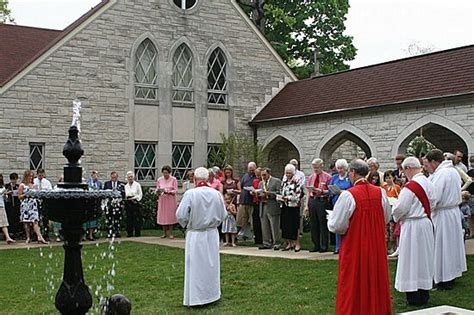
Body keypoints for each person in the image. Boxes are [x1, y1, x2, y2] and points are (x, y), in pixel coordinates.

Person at [328, 159, 392, 315]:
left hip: (355, 245)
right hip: (376, 244)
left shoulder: (348, 196)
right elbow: (386, 217)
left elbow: (338, 226)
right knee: (376, 278)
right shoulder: (381, 193)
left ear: (353, 173)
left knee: (353, 280)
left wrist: (330, 219)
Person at [176, 167, 227, 307]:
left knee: (196, 265)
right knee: (210, 264)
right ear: (208, 178)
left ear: (194, 179)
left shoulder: (190, 194)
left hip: (196, 233)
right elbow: (223, 214)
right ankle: (211, 294)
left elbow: (180, 215)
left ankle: (197, 297)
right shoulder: (216, 194)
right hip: (211, 233)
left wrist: (186, 224)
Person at [392, 157, 436, 306]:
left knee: (411, 260)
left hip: (412, 226)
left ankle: (413, 295)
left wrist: (396, 214)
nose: (404, 174)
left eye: (404, 171)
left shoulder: (411, 187)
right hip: (425, 224)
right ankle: (424, 293)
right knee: (424, 259)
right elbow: (434, 202)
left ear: (409, 168)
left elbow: (400, 208)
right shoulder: (428, 182)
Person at [424, 149, 467, 290]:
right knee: (451, 245)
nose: (427, 168)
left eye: (427, 164)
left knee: (442, 246)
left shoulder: (442, 174)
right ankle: (450, 275)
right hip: (452, 212)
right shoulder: (453, 171)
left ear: (434, 162)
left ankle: (443, 277)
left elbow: (434, 196)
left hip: (443, 214)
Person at [304, 158, 332, 253]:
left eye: (317, 167)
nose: (315, 169)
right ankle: (315, 244)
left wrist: (322, 191)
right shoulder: (311, 177)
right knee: (313, 224)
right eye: (314, 167)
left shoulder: (327, 177)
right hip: (313, 200)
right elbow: (308, 191)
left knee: (322, 223)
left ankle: (324, 245)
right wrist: (306, 205)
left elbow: (331, 191)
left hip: (322, 201)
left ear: (321, 166)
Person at [329, 159, 352, 254]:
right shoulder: (334, 178)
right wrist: (333, 191)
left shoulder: (349, 178)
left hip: (346, 203)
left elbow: (353, 189)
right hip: (336, 203)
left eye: (341, 168)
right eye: (338, 168)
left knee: (346, 224)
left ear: (345, 168)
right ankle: (338, 247)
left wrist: (342, 191)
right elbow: (330, 188)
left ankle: (347, 246)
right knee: (338, 223)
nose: (339, 170)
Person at [18, 170, 48, 244]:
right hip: (25, 204)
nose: (31, 178)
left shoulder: (34, 185)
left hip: (33, 204)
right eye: (29, 176)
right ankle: (28, 237)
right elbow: (19, 196)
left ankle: (40, 237)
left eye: (32, 176)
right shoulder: (22, 185)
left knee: (35, 221)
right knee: (26, 222)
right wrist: (26, 194)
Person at [280, 164, 303, 252]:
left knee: (294, 225)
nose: (288, 174)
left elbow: (298, 195)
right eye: (287, 173)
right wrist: (281, 197)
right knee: (285, 225)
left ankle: (297, 243)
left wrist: (289, 198)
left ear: (293, 173)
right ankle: (289, 243)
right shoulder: (284, 181)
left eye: (289, 173)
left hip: (294, 206)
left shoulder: (297, 181)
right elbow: (281, 191)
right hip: (285, 205)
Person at [258, 168, 282, 250]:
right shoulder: (261, 183)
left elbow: (280, 193)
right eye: (262, 175)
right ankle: (266, 242)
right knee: (264, 225)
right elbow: (260, 192)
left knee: (274, 225)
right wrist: (257, 194)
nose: (263, 177)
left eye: (264, 175)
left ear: (269, 174)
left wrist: (270, 193)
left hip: (273, 205)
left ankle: (277, 243)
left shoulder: (276, 181)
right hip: (263, 205)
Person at [156, 165, 178, 239]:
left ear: (169, 173)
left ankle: (171, 233)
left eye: (166, 173)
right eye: (164, 173)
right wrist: (158, 191)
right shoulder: (159, 180)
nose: (165, 174)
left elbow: (175, 190)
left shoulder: (173, 179)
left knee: (170, 215)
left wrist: (169, 191)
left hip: (170, 199)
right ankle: (164, 233)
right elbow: (157, 188)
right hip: (162, 200)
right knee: (163, 216)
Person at [236, 162, 257, 234]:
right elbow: (241, 187)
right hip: (243, 200)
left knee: (252, 221)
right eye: (249, 170)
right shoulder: (245, 176)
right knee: (240, 220)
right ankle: (236, 236)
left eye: (252, 170)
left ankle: (254, 236)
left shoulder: (257, 177)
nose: (251, 171)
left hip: (252, 202)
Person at [103, 171, 125, 238]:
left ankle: (117, 232)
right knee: (109, 219)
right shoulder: (107, 184)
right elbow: (104, 193)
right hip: (109, 204)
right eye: (112, 177)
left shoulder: (121, 184)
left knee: (117, 218)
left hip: (118, 204)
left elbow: (123, 194)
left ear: (117, 177)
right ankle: (110, 232)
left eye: (115, 177)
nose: (113, 179)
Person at [33, 168, 52, 240]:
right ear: (37, 174)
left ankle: (46, 234)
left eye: (42, 175)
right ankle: (36, 235)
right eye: (39, 174)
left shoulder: (47, 182)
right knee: (36, 219)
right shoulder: (34, 181)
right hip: (36, 201)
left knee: (45, 218)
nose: (40, 176)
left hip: (44, 201)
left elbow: (50, 191)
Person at [84, 170, 102, 241]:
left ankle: (91, 235)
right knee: (85, 220)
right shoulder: (87, 183)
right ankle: (84, 235)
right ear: (92, 176)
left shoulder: (99, 183)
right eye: (94, 175)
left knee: (93, 220)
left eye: (97, 175)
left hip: (95, 203)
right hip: (87, 203)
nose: (96, 177)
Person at [124, 171, 143, 237]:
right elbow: (125, 194)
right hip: (128, 202)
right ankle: (130, 233)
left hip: (135, 202)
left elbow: (140, 195)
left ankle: (137, 233)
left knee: (136, 219)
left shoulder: (137, 185)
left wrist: (135, 199)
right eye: (129, 177)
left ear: (133, 177)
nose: (130, 178)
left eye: (131, 177)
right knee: (129, 218)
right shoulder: (126, 186)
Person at [4, 172, 21, 239]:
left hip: (16, 204)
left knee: (16, 217)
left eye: (15, 179)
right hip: (9, 204)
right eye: (12, 179)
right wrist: (8, 193)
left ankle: (16, 232)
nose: (14, 181)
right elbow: (4, 193)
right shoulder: (7, 186)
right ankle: (10, 232)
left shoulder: (18, 186)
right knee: (10, 217)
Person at [0, 174, 15, 244]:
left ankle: (8, 237)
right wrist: (3, 192)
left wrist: (6, 193)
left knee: (4, 223)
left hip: (1, 206)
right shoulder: (2, 189)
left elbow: (4, 197)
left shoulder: (2, 187)